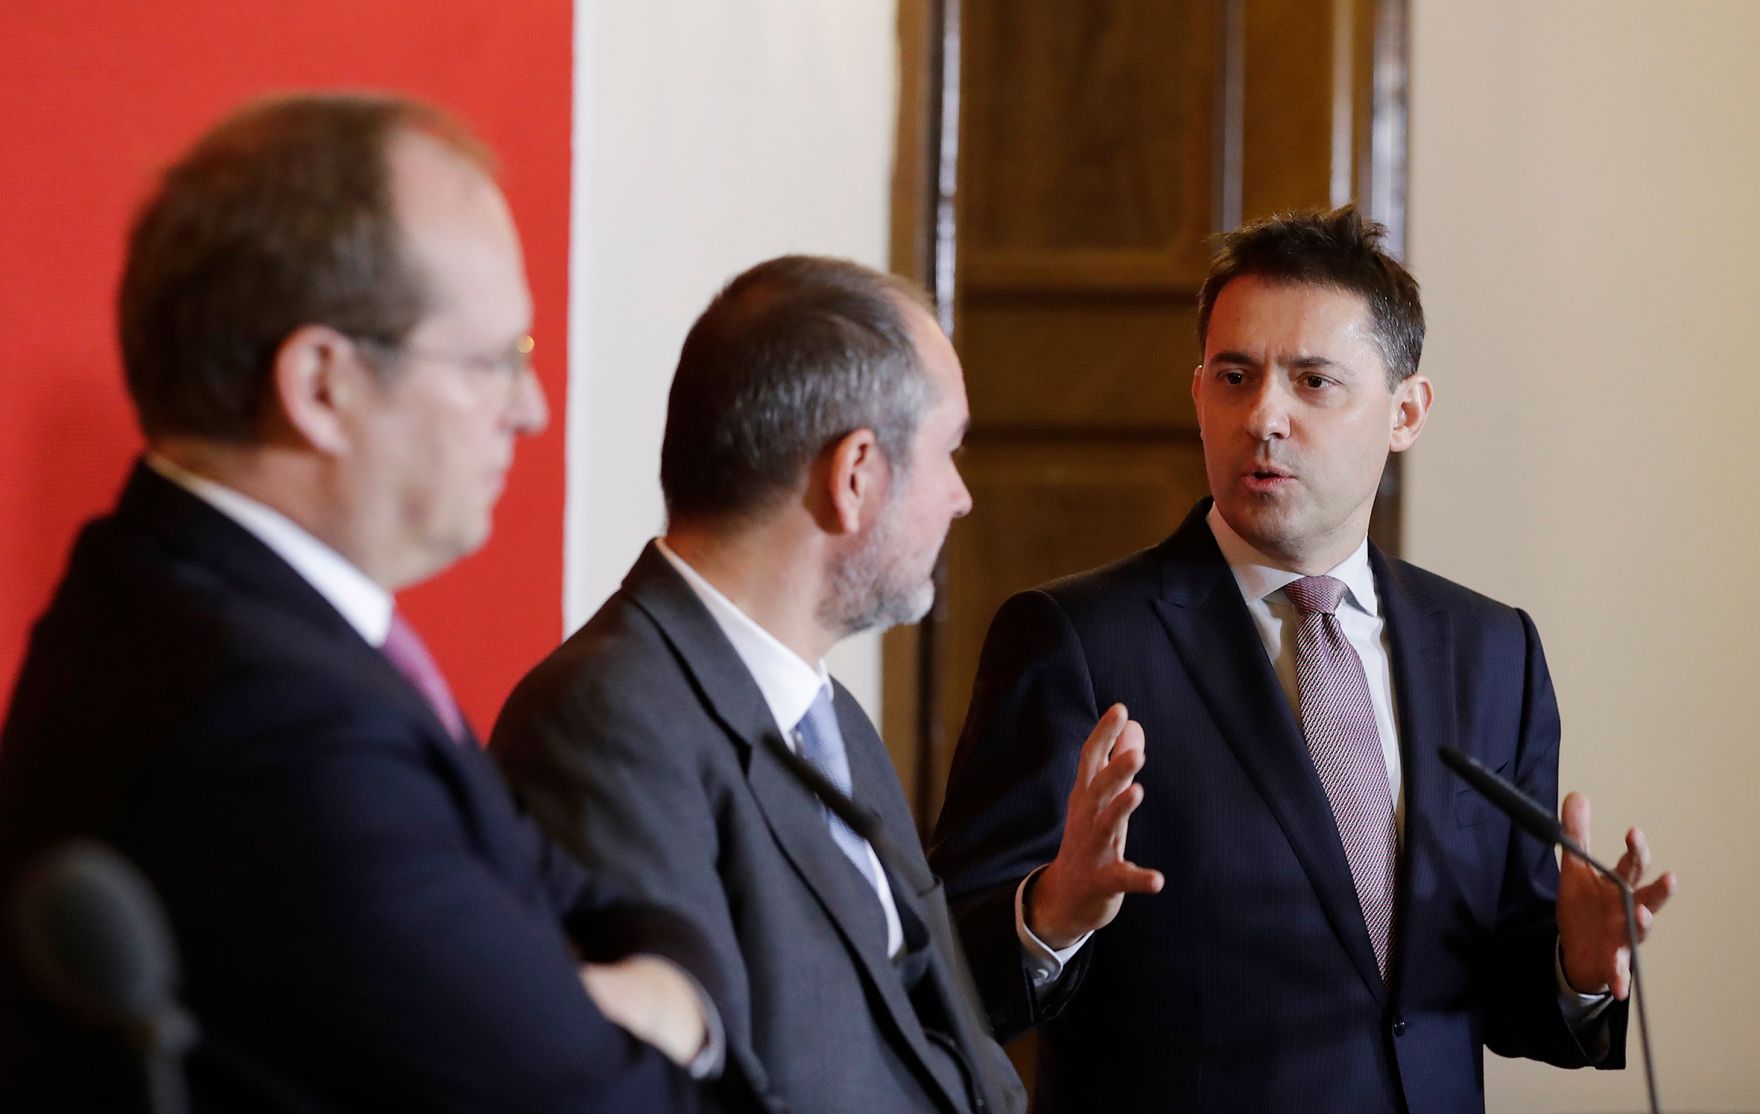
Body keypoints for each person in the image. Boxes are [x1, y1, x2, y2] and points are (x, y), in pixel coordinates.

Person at [0, 93, 732, 1112]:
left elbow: (616, 910)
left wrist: (647, 986)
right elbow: (607, 1102)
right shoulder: (274, 718)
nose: (531, 409)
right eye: (493, 362)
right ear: (322, 384)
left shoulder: (184, 597)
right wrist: (673, 1011)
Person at [927, 206, 1677, 1113]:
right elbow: (946, 977)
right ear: (1198, 390)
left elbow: (1481, 990)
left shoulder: (1490, 650)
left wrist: (1578, 968)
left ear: (1406, 412)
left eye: (1314, 381)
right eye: (1234, 376)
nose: (1264, 416)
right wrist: (1048, 917)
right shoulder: (1075, 639)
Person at [491, 256, 1028, 1114]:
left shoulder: (832, 718)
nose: (961, 498)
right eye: (946, 453)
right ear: (855, 475)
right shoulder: (605, 720)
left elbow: (954, 1046)